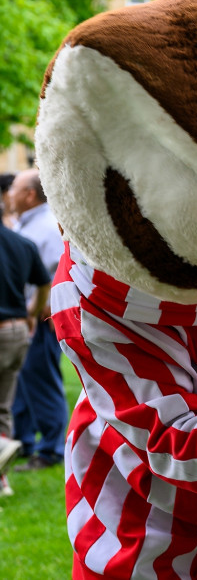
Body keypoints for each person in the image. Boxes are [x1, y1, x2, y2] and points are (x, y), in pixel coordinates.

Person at [6, 168, 66, 472]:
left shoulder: (44, 226)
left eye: (14, 188)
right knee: (23, 383)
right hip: (25, 316)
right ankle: (24, 442)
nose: (9, 194)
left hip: (39, 319)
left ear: (30, 194)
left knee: (41, 382)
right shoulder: (29, 225)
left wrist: (42, 307)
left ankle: (53, 449)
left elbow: (57, 272)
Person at [0, 197, 51, 497]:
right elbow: (44, 282)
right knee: (3, 406)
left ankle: (3, 446)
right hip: (17, 330)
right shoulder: (22, 243)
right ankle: (2, 480)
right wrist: (33, 313)